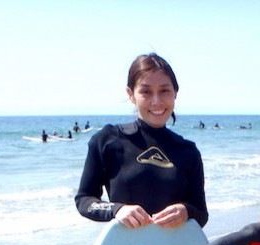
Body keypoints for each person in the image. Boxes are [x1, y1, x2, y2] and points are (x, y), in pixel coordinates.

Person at [74, 53, 208, 229]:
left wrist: (185, 211)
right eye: (145, 91)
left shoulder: (188, 151)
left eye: (164, 91)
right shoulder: (107, 141)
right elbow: (84, 200)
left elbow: (201, 213)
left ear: (175, 93)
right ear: (131, 94)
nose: (156, 101)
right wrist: (117, 210)